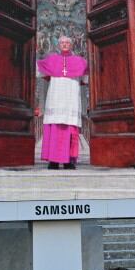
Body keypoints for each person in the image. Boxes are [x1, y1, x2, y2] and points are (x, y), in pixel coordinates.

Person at [35, 35, 88, 169]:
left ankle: (69, 161)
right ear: (59, 45)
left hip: (71, 98)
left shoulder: (80, 61)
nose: (64, 45)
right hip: (55, 98)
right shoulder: (52, 59)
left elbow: (85, 79)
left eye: (67, 43)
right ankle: (53, 160)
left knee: (70, 128)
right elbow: (41, 72)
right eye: (62, 43)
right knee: (55, 126)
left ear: (71, 45)